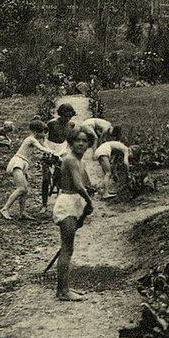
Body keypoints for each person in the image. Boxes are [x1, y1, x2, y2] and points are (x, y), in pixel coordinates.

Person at [53, 126, 94, 301]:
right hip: (67, 203)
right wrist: (89, 200)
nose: (81, 144)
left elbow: (86, 183)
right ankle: (62, 291)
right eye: (77, 140)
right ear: (70, 142)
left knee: (68, 248)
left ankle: (64, 288)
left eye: (85, 141)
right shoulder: (69, 159)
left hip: (75, 204)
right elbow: (78, 185)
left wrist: (90, 193)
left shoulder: (80, 162)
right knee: (67, 249)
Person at [0, 120, 55, 220]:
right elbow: (41, 148)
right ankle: (5, 209)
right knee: (21, 188)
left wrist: (45, 142)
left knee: (25, 191)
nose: (44, 135)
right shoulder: (30, 139)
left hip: (23, 164)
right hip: (17, 163)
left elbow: (44, 145)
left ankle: (22, 212)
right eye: (42, 132)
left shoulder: (36, 138)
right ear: (36, 131)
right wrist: (53, 152)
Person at [40, 104, 77, 213]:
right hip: (50, 148)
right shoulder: (52, 124)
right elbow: (42, 136)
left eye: (69, 117)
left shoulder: (71, 125)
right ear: (60, 114)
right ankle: (44, 204)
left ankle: (62, 201)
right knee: (46, 177)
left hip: (62, 149)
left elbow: (70, 141)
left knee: (63, 175)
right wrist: (45, 149)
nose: (67, 119)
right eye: (65, 116)